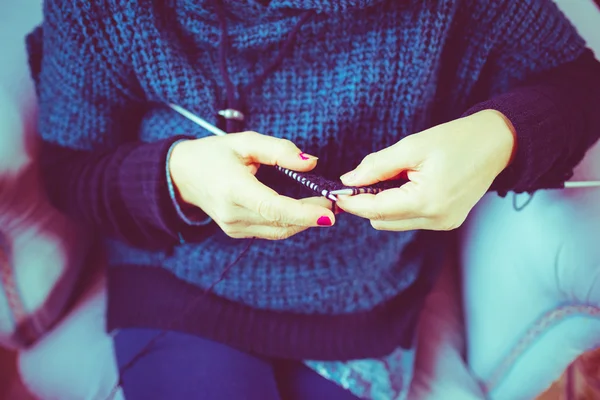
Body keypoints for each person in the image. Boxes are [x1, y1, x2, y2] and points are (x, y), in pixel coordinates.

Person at [25, 0, 600, 398]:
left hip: (361, 310)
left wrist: (502, 136)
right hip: (179, 294)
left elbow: (580, 86)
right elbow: (71, 169)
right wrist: (175, 177)